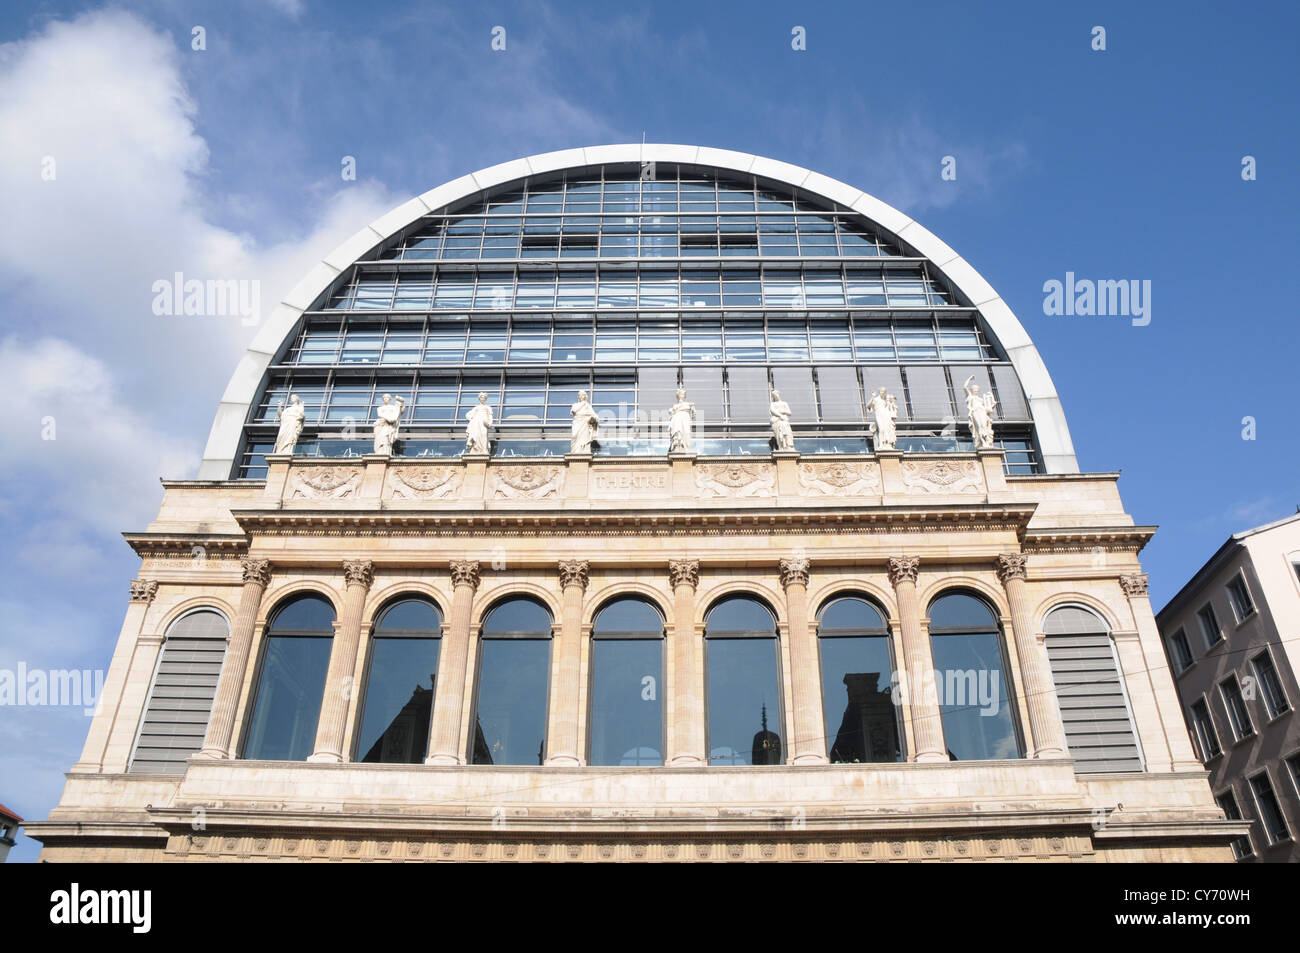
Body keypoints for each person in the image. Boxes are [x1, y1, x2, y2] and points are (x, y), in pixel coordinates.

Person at [963, 376, 998, 449]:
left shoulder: (981, 399)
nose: (975, 390)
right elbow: (965, 386)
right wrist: (970, 378)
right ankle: (983, 442)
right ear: (971, 390)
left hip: (983, 412)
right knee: (979, 427)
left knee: (984, 427)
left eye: (977, 389)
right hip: (976, 412)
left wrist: (993, 404)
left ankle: (986, 442)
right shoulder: (970, 396)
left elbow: (988, 409)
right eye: (974, 389)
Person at [865, 386, 898, 450]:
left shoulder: (885, 400)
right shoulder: (876, 399)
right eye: (881, 391)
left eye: (883, 392)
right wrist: (872, 397)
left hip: (885, 416)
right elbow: (868, 406)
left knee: (886, 430)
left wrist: (893, 399)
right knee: (881, 429)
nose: (882, 393)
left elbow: (892, 401)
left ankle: (885, 444)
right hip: (879, 416)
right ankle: (881, 445)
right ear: (879, 392)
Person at [569, 390, 599, 454]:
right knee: (574, 436)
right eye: (581, 395)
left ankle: (583, 450)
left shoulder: (587, 405)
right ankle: (574, 450)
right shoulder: (575, 405)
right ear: (579, 396)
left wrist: (594, 418)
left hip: (585, 422)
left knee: (584, 438)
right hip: (577, 421)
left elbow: (594, 414)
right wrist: (583, 403)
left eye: (584, 395)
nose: (583, 396)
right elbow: (574, 410)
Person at [667, 387, 695, 453]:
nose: (681, 396)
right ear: (678, 396)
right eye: (680, 394)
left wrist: (693, 409)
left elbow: (693, 415)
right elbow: (671, 413)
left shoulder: (688, 404)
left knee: (686, 431)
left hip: (685, 419)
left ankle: (684, 444)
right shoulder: (675, 406)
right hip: (677, 419)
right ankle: (677, 440)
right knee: (677, 422)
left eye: (682, 394)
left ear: (684, 396)